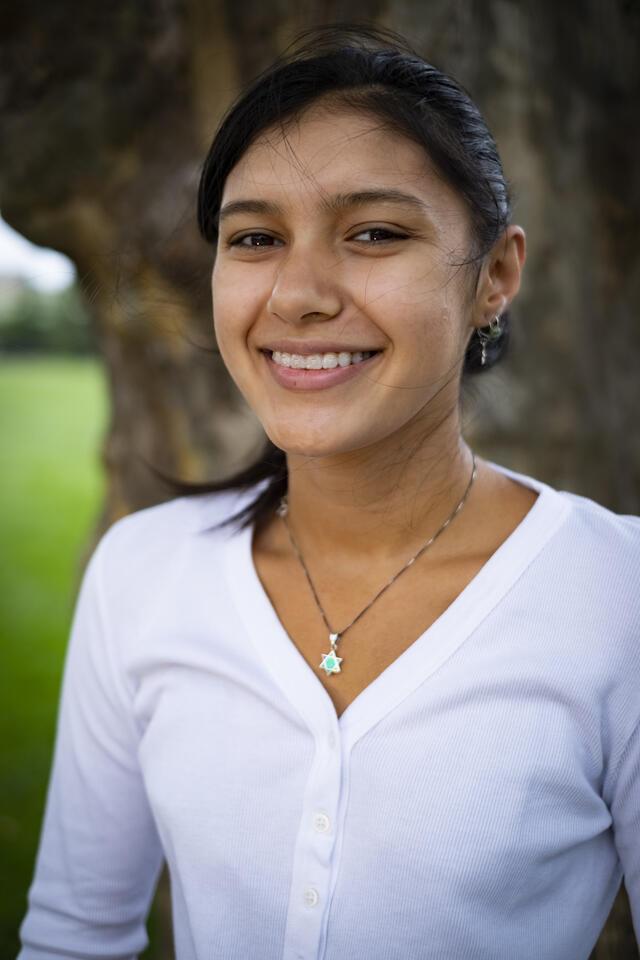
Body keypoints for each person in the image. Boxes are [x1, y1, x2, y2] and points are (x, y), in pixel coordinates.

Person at [18, 22, 640, 960]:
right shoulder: (142, 575)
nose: (299, 293)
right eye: (256, 237)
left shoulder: (616, 597)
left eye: (376, 233)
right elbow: (74, 936)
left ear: (495, 279)